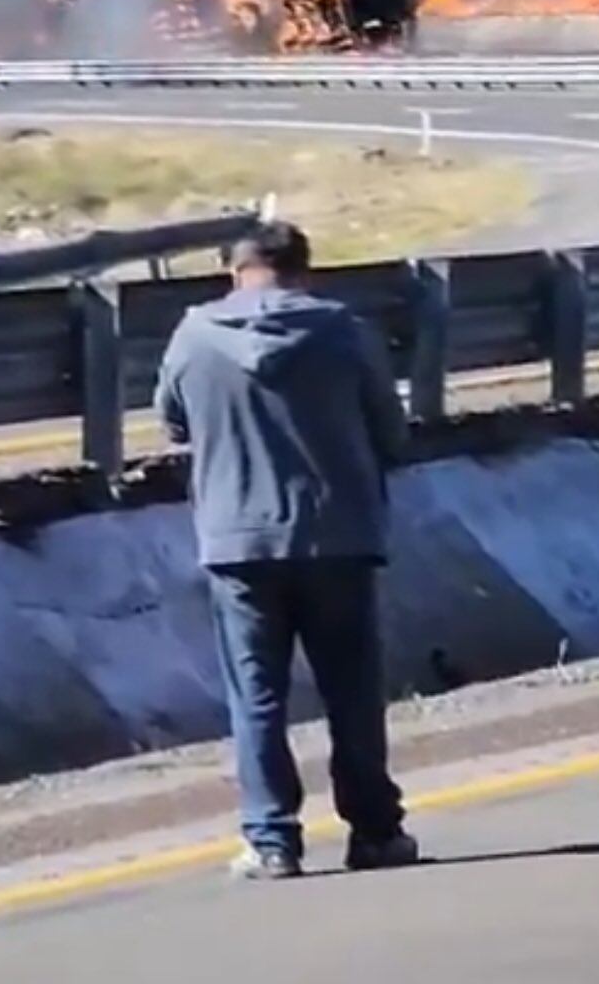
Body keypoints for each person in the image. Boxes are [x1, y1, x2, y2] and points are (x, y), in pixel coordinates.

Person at [155, 219, 418, 882]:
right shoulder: (343, 331)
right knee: (352, 690)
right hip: (339, 536)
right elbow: (392, 434)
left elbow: (174, 423)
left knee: (257, 696)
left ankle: (272, 840)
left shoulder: (194, 335)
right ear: (306, 270)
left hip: (239, 541)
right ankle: (376, 832)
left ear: (233, 270)